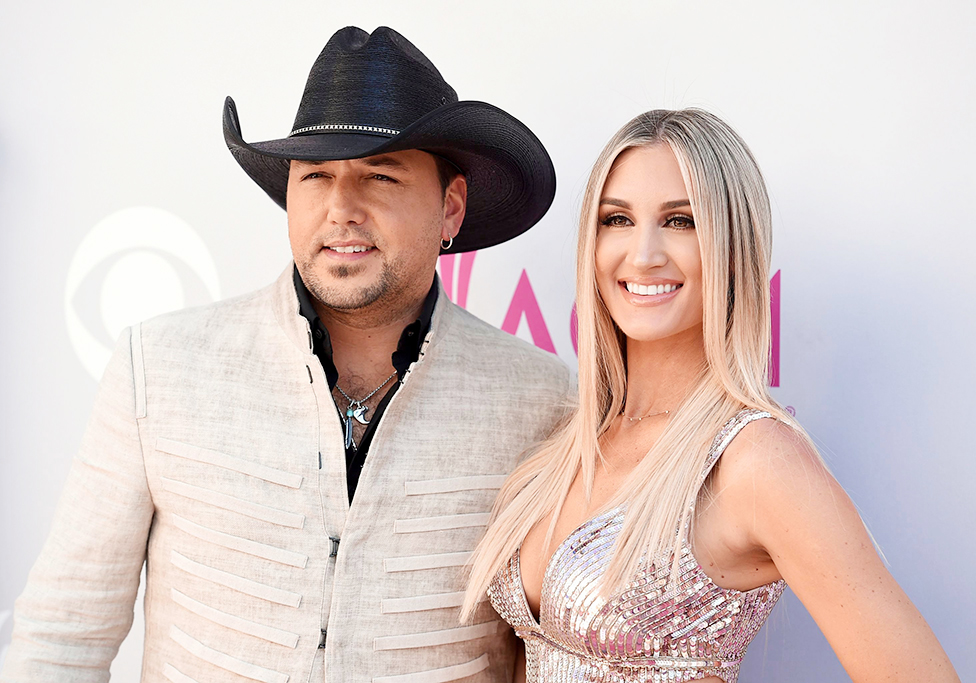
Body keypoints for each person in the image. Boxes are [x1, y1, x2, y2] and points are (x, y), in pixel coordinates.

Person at [2, 26, 573, 683]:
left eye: (380, 175)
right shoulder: (158, 367)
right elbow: (61, 643)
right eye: (316, 176)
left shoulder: (540, 399)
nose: (340, 208)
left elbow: (541, 654)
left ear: (449, 208)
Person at [463, 109, 959, 683]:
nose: (644, 254)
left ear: (732, 244)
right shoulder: (570, 442)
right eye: (617, 219)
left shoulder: (756, 461)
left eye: (681, 221)